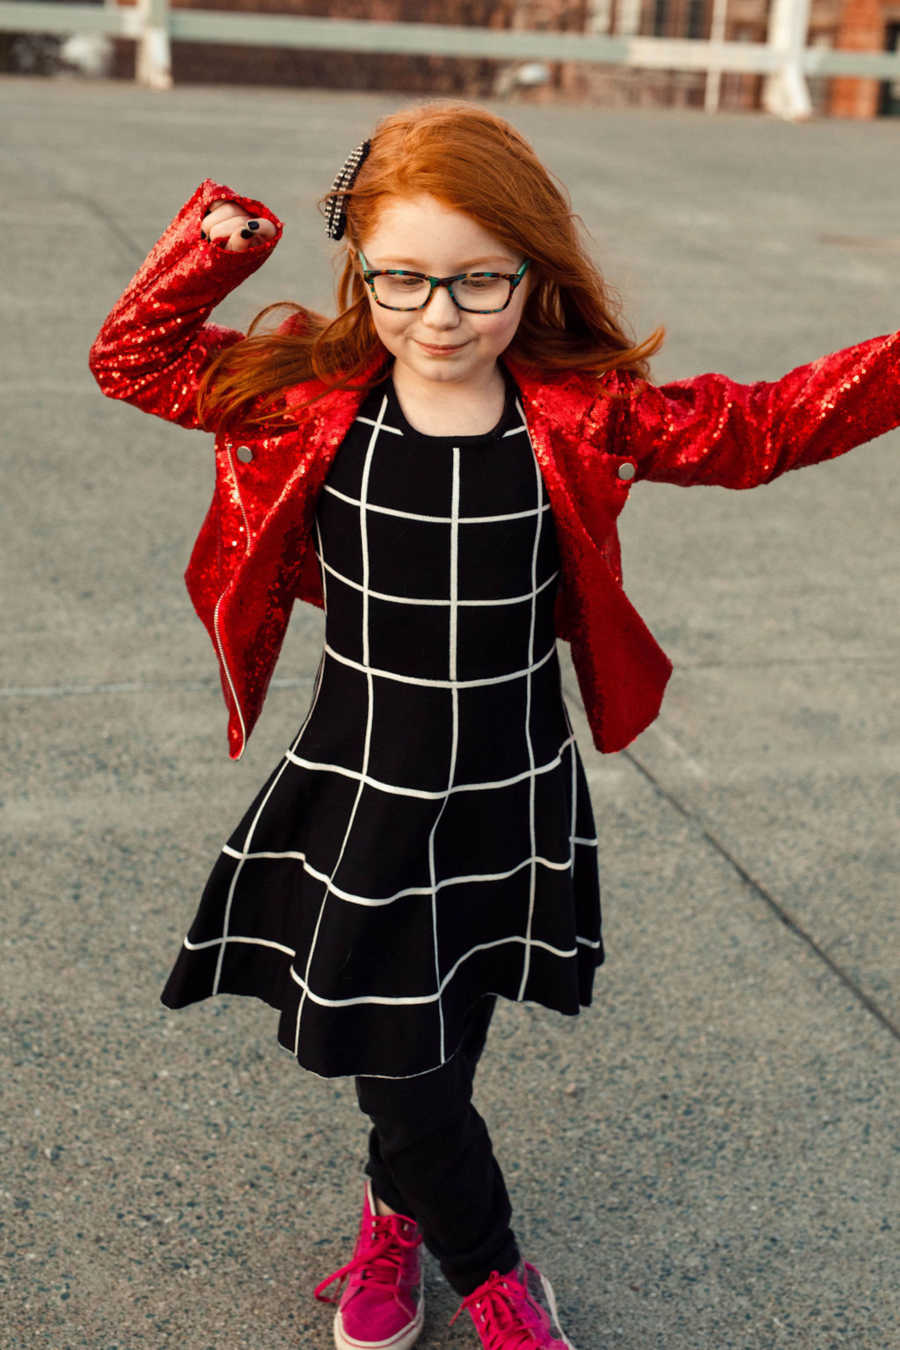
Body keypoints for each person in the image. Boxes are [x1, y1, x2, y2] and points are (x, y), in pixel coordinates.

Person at [89, 100, 899, 1350]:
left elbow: (769, 424)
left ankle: (393, 1211)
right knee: (405, 1074)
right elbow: (131, 360)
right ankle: (496, 1279)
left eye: (478, 280)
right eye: (403, 278)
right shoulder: (307, 400)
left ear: (533, 268)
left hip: (507, 788)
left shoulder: (581, 417)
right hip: (363, 786)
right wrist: (219, 245)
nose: (440, 315)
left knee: (439, 1040)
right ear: (357, 267)